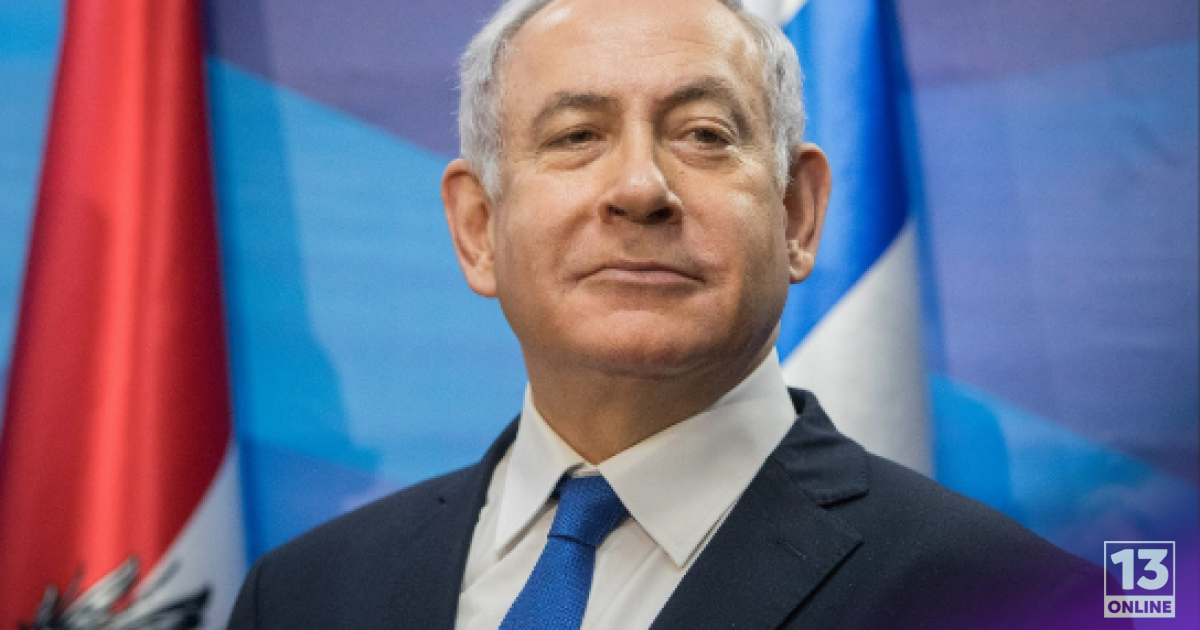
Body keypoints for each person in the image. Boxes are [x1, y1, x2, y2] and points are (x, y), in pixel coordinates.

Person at [227, 0, 1126, 628]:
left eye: (703, 134)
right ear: (477, 229)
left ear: (797, 215)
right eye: (576, 135)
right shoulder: (302, 596)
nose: (639, 188)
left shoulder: (1011, 600)